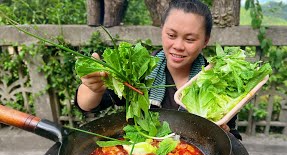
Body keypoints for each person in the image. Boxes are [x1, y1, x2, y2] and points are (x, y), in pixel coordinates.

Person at [75, 0, 241, 140]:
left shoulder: (217, 80)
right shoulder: (140, 69)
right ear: (162, 30)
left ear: (205, 41)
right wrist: (93, 87)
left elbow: (233, 136)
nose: (178, 46)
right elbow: (86, 105)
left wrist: (224, 134)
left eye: (189, 39)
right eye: (171, 35)